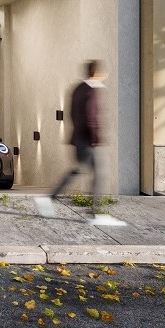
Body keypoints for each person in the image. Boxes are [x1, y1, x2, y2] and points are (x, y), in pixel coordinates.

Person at [34, 60, 127, 226]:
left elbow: (70, 113)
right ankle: (97, 214)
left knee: (78, 171)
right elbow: (91, 118)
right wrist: (96, 139)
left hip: (78, 140)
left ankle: (49, 198)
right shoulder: (92, 90)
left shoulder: (78, 89)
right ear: (97, 73)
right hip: (90, 141)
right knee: (100, 175)